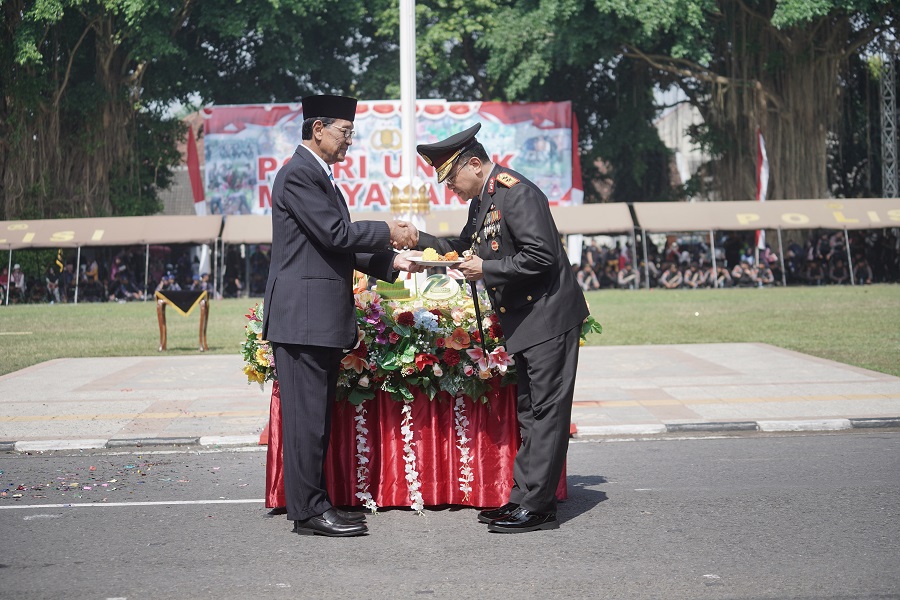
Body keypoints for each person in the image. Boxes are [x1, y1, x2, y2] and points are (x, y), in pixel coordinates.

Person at [401, 123, 589, 533]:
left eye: (451, 179)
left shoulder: (516, 192)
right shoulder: (484, 201)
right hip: (526, 320)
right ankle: (524, 498)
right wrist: (420, 244)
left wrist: (486, 268)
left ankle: (537, 507)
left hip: (548, 317)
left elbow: (542, 256)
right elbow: (462, 248)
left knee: (546, 412)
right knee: (530, 411)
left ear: (473, 163)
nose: (451, 188)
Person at [261, 94, 417, 538]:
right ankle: (308, 512)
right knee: (306, 420)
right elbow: (335, 234)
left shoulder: (319, 177)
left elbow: (339, 246)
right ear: (318, 130)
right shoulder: (299, 176)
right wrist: (388, 230)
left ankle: (316, 503)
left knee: (317, 419)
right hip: (302, 319)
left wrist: (391, 263)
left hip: (316, 319)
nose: (350, 141)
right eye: (345, 133)